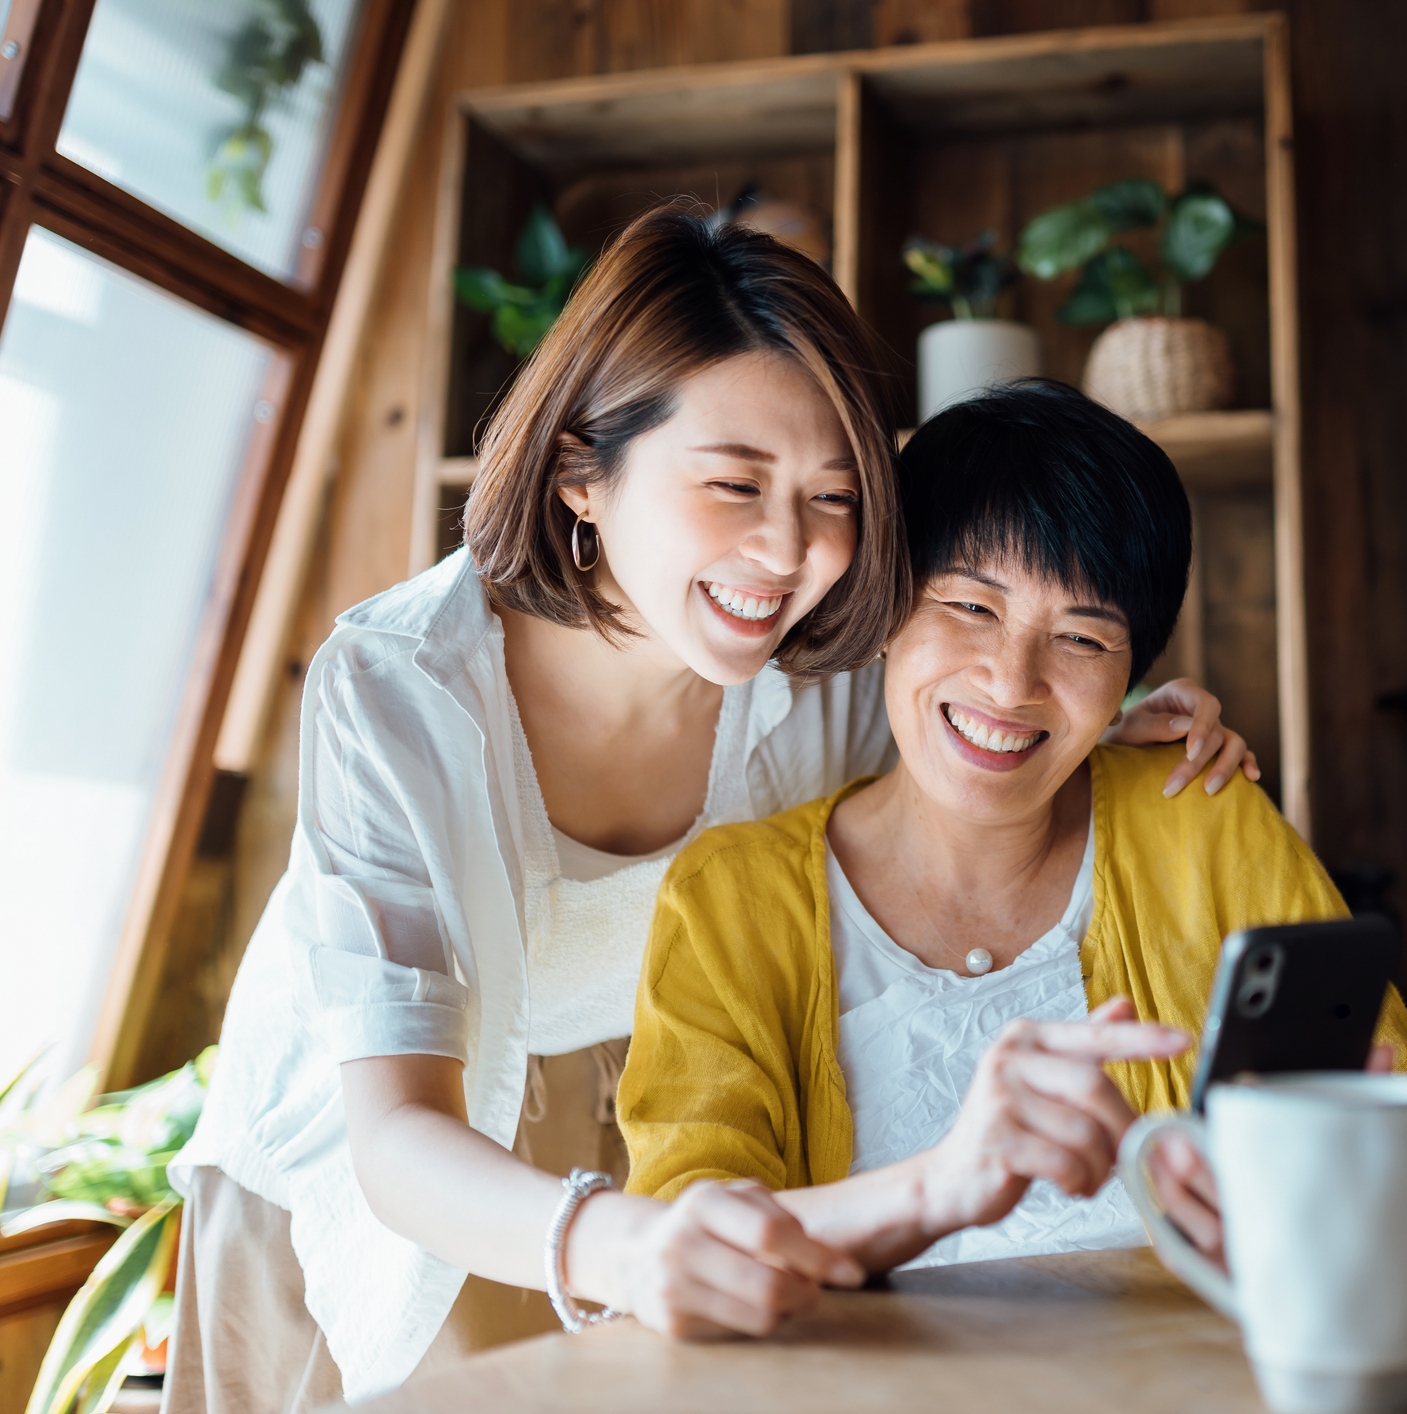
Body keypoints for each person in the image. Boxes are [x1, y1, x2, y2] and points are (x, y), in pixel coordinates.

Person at [165, 208, 1255, 1412]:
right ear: (583, 469)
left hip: (650, 1153)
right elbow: (395, 1135)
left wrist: (1124, 716)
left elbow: (985, 699)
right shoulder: (397, 686)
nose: (787, 553)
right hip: (377, 1171)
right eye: (735, 483)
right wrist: (618, 1241)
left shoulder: (822, 670)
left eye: (833, 495)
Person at [620, 381, 1407, 1277]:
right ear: (885, 606)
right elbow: (684, 1237)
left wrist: (1365, 1167)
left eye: (1082, 640)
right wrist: (938, 1182)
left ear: (1132, 667)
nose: (1011, 684)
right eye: (970, 607)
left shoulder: (1200, 825)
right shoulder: (727, 900)